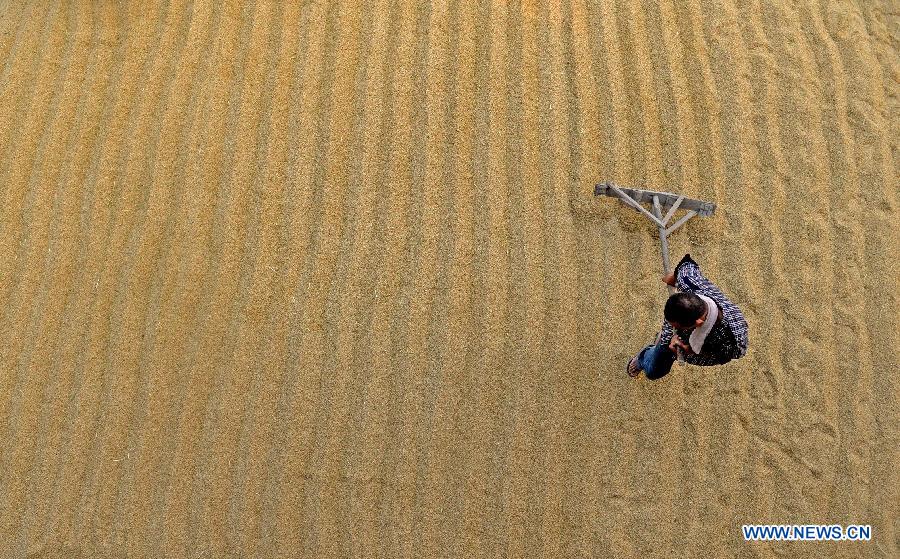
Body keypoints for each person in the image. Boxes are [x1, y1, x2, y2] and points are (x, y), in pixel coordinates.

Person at [626, 253, 749, 380]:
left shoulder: (733, 335)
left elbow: (736, 353)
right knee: (656, 365)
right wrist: (675, 278)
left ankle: (652, 353)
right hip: (683, 329)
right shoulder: (689, 282)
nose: (669, 326)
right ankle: (644, 358)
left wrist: (688, 349)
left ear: (699, 322)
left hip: (706, 346)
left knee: (653, 372)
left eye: (676, 326)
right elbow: (687, 263)